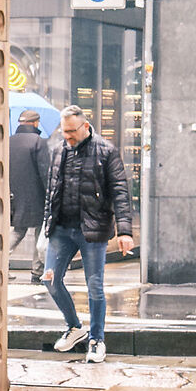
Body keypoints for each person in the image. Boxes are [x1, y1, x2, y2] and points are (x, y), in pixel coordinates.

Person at [41, 106, 133, 362]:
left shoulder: (106, 151)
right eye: (64, 131)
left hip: (92, 229)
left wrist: (124, 231)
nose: (67, 136)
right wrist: (47, 224)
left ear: (85, 126)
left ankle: (97, 339)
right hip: (61, 228)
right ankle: (74, 327)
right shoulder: (59, 150)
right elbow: (52, 191)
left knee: (95, 286)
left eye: (72, 131)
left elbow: (120, 193)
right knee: (49, 279)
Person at [9, 108, 49, 281]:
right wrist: (50, 193)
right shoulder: (38, 142)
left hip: (14, 194)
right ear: (36, 123)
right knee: (40, 233)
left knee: (18, 230)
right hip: (37, 196)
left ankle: (0, 262)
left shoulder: (8, 141)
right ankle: (37, 272)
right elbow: (45, 171)